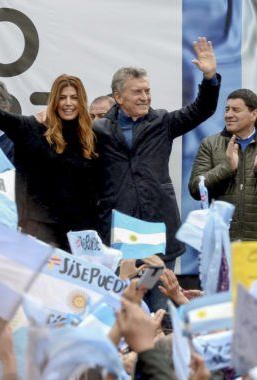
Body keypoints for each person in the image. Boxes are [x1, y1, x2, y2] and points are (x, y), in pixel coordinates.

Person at [94, 37, 220, 310]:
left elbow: (203, 109)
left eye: (147, 91)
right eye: (137, 92)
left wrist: (209, 77)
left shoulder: (162, 122)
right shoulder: (100, 129)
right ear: (118, 97)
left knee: (158, 305)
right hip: (119, 234)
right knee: (125, 306)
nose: (145, 97)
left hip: (157, 232)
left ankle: (158, 350)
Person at [0, 39, 100, 248]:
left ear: (81, 101)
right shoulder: (31, 128)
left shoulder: (91, 137)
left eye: (74, 98)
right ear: (54, 101)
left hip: (80, 232)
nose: (68, 103)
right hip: (41, 230)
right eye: (63, 97)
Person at [188, 88, 257, 241]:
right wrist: (226, 168)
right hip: (221, 241)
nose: (228, 114)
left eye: (235, 110)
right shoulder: (209, 144)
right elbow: (195, 189)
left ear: (254, 114)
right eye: (227, 109)